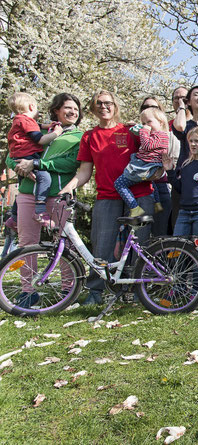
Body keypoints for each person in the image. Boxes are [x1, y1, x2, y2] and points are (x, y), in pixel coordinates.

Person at [59, 90, 155, 305]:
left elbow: (154, 150)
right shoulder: (89, 136)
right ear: (93, 108)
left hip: (139, 194)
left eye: (108, 103)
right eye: (99, 103)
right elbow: (85, 171)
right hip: (107, 195)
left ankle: (139, 291)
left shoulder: (130, 131)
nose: (104, 107)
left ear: (115, 106)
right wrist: (69, 188)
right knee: (101, 245)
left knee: (140, 244)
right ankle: (96, 291)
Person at [6, 93, 83, 307]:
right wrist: (20, 167)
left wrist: (39, 165)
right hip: (28, 193)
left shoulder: (79, 136)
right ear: (56, 110)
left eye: (76, 108)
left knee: (65, 241)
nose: (72, 112)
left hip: (58, 195)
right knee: (26, 243)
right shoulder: (35, 129)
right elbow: (10, 156)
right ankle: (27, 292)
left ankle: (68, 289)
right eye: (67, 107)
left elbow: (70, 164)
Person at [6, 92, 63, 226]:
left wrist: (47, 126)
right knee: (45, 178)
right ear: (32, 107)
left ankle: (14, 218)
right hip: (28, 157)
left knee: (23, 187)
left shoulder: (18, 120)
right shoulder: (27, 121)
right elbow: (40, 139)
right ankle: (40, 211)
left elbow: (35, 126)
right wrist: (56, 133)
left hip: (18, 157)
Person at [114, 107, 169, 217]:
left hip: (146, 167)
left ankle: (134, 208)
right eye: (143, 122)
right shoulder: (156, 135)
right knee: (150, 182)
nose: (146, 125)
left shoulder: (162, 136)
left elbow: (146, 145)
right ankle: (157, 203)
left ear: (161, 122)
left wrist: (144, 131)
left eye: (149, 122)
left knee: (119, 184)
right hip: (149, 167)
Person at [139, 96, 180, 237]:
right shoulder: (137, 133)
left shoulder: (170, 136)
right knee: (139, 236)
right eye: (145, 108)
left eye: (154, 107)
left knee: (160, 234)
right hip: (140, 188)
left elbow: (174, 162)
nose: (149, 110)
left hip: (161, 188)